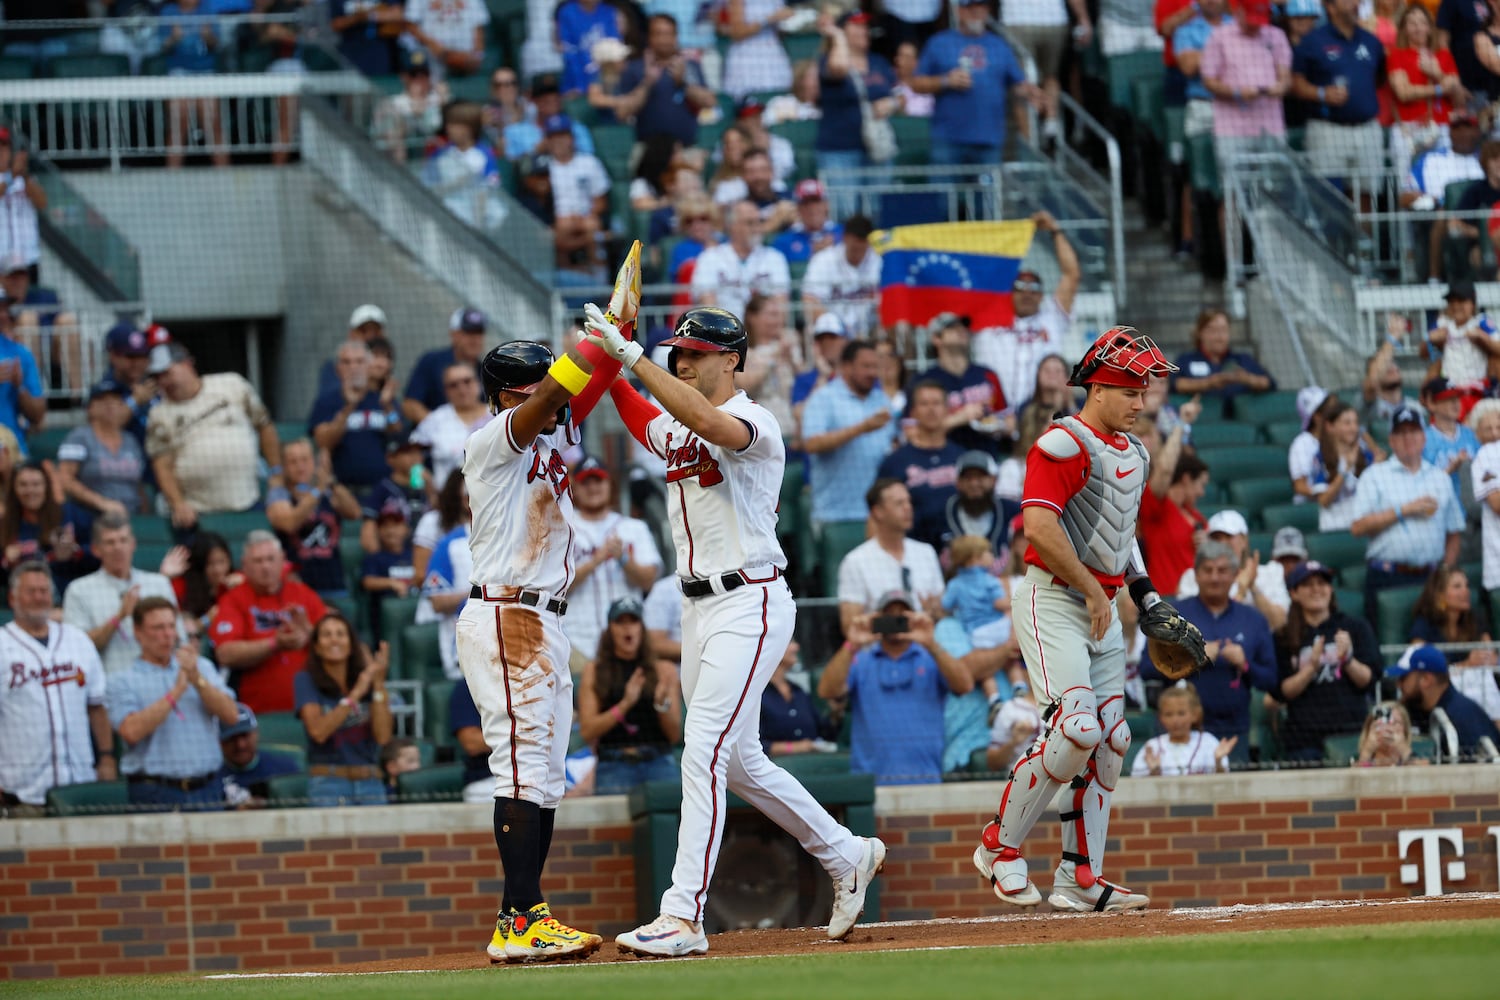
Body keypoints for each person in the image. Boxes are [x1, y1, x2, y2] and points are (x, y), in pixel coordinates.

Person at [585, 304, 888, 956]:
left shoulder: (756, 421)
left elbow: (702, 421)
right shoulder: (679, 416)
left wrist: (630, 356)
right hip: (699, 609)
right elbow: (653, 424)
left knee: (703, 750)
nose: (684, 360)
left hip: (748, 600)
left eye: (696, 352)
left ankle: (683, 915)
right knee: (742, 762)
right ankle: (846, 853)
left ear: (732, 358)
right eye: (678, 353)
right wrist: (611, 368)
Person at [972, 326, 1182, 913]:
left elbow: (1120, 537)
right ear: (1098, 387)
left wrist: (1146, 597)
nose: (1141, 401)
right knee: (1077, 729)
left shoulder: (1134, 451)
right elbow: (1038, 528)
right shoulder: (1063, 442)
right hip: (1054, 600)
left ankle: (1079, 877)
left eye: (1144, 389)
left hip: (1102, 606)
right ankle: (999, 847)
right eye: (1131, 389)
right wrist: (1095, 591)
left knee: (1113, 739)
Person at [458, 335, 618, 962]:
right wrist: (589, 341)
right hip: (507, 612)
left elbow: (580, 391)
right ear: (507, 393)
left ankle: (525, 911)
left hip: (545, 618)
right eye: (538, 386)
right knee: (521, 767)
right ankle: (519, 921)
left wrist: (617, 341)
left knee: (545, 777)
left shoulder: (550, 433)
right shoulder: (495, 436)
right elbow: (556, 390)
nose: (553, 396)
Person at [818, 590, 976, 785]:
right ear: (878, 618)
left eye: (903, 614)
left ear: (914, 618)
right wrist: (852, 644)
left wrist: (931, 643)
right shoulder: (861, 659)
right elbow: (827, 691)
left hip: (925, 779)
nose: (895, 619)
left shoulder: (931, 658)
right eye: (889, 614)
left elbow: (965, 685)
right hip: (869, 785)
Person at [1140, 540, 1279, 756]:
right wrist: (1195, 656)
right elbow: (1146, 668)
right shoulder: (1173, 614)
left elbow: (1271, 679)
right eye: (1208, 570)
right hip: (1179, 733)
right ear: (1195, 575)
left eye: (1222, 571)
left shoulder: (1253, 619)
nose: (1215, 577)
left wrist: (1246, 665)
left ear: (1234, 575)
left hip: (1233, 732)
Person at [0, 560, 114, 816]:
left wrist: (106, 756)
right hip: (21, 791)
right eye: (31, 591)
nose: (39, 597)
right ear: (12, 597)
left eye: (44, 591)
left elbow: (97, 705)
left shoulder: (77, 640)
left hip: (79, 784)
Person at [108, 596, 238, 812]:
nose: (168, 634)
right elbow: (131, 730)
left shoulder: (201, 667)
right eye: (158, 628)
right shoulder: (122, 680)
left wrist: (197, 680)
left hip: (208, 788)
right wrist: (176, 692)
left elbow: (231, 715)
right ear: (138, 633)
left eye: (171, 626)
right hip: (155, 791)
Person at [145, 342, 279, 531]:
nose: (164, 382)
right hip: (198, 513)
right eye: (158, 377)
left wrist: (276, 474)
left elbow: (265, 426)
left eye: (167, 373)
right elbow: (162, 465)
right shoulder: (159, 414)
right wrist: (178, 504)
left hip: (249, 501)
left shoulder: (231, 385)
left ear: (187, 364)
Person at [1350, 404, 1464, 623]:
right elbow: (1358, 527)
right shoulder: (1374, 476)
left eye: (1413, 431)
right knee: (1387, 647)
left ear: (1424, 437)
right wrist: (1404, 510)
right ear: (1391, 440)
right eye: (1401, 432)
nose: (1407, 437)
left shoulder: (1439, 478)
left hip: (1430, 578)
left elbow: (1454, 533)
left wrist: (1445, 573)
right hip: (1388, 576)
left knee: (1432, 644)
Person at [1271, 560, 1382, 762]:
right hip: (1304, 739)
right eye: (1307, 584)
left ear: (1330, 589)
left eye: (1322, 583)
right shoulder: (1283, 637)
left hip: (1351, 735)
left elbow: (1370, 680)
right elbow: (1282, 691)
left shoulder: (1355, 627)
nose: (1316, 590)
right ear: (1294, 593)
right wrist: (1310, 668)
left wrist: (1348, 660)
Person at [969, 212, 1082, 410]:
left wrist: (1056, 231)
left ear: (1041, 296)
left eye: (1035, 288)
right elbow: (972, 278)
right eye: (1020, 286)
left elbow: (1071, 274)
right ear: (1009, 292)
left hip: (1041, 416)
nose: (1027, 293)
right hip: (993, 415)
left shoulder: (1052, 317)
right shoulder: (986, 316)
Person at [910, 0, 1043, 166]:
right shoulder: (939, 43)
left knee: (987, 191)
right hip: (948, 138)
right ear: (959, 11)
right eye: (971, 8)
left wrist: (1031, 92)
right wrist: (945, 81)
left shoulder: (999, 45)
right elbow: (916, 83)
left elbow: (1017, 84)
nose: (977, 13)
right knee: (944, 191)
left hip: (988, 138)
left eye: (982, 7)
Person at [211, 531, 328, 716]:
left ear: (282, 561)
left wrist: (310, 633)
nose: (265, 567)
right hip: (256, 712)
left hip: (311, 711)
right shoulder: (233, 600)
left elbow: (338, 641)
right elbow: (225, 653)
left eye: (271, 559)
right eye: (258, 561)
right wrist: (275, 644)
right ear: (245, 566)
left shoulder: (302, 593)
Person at [563, 457, 663, 672]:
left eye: (598, 481)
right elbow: (557, 587)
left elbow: (648, 581)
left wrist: (624, 559)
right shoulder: (564, 530)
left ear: (610, 485)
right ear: (575, 489)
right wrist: (595, 561)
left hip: (627, 645)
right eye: (586, 482)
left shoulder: (633, 528)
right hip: (576, 642)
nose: (593, 488)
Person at [576, 596, 683, 794]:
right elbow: (588, 731)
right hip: (615, 764)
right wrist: (625, 704)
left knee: (669, 821)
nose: (628, 628)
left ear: (642, 628)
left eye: (633, 621)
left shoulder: (663, 670)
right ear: (610, 630)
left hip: (658, 761)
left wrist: (661, 704)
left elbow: (674, 735)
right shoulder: (595, 670)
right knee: (615, 825)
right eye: (620, 622)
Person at [62, 513, 179, 677]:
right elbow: (77, 647)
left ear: (133, 544)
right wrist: (119, 617)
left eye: (123, 540)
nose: (118, 547)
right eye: (110, 542)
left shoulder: (158, 584)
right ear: (96, 549)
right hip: (109, 686)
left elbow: (179, 639)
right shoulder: (79, 590)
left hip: (161, 681)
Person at [295, 613, 393, 806]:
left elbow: (383, 737)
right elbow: (318, 732)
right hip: (329, 784)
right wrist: (355, 694)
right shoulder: (306, 680)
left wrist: (378, 684)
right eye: (326, 634)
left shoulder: (367, 680)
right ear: (316, 646)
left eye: (341, 634)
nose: (334, 639)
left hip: (370, 783)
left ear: (351, 644)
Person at [801, 340, 896, 530]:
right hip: (837, 514)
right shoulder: (823, 398)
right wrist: (861, 428)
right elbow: (811, 444)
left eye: (875, 367)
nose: (872, 373)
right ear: (846, 366)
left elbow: (895, 441)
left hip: (880, 513)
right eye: (866, 366)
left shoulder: (882, 400)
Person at [1290, 0, 1387, 185]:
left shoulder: (1372, 41)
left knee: (1366, 196)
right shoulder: (1312, 41)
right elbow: (1295, 84)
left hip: (1367, 129)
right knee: (1331, 200)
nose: (1355, 4)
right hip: (1328, 130)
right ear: (1330, 7)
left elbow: (1379, 78)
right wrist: (1321, 93)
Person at [815, 11, 899, 218]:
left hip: (876, 150)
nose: (864, 31)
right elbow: (840, 68)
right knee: (846, 213)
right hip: (839, 150)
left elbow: (901, 93)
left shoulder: (878, 61)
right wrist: (836, 36)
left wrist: (892, 103)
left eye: (865, 26)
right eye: (857, 26)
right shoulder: (828, 60)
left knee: (877, 213)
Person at [836, 478, 946, 629]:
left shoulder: (926, 552)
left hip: (924, 647)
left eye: (908, 501)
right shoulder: (855, 561)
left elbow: (942, 612)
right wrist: (904, 625)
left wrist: (935, 613)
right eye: (899, 503)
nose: (908, 508)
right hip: (878, 649)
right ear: (878, 512)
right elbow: (850, 626)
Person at [1201, 0, 1292, 172]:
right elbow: (1208, 81)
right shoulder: (1219, 37)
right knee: (1234, 189)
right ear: (1239, 11)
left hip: (1270, 125)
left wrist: (1280, 87)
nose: (1255, 25)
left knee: (1274, 190)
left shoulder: (1276, 35)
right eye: (1251, 18)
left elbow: (1285, 77)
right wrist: (1236, 92)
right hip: (1232, 128)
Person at [310, 339, 405, 501]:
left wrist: (388, 406)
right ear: (338, 369)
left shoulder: (383, 399)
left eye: (359, 361)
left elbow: (397, 429)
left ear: (369, 366)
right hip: (343, 492)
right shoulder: (327, 401)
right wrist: (348, 407)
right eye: (346, 362)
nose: (353, 367)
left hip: (382, 490)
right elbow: (323, 442)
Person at [266, 440, 361, 597]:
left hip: (333, 582)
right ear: (284, 467)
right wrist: (317, 490)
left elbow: (355, 513)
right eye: (293, 462)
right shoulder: (278, 495)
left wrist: (331, 481)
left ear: (314, 463)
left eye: (305, 460)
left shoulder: (329, 492)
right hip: (297, 586)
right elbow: (289, 523)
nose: (300, 467)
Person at [877, 381, 964, 549]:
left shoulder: (962, 457)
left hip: (960, 549)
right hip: (913, 549)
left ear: (947, 410)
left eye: (937, 403)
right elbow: (878, 512)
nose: (931, 409)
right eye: (924, 404)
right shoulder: (895, 462)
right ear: (913, 412)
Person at [1409, 565, 1500, 721]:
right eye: (1457, 586)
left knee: (1483, 677)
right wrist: (1467, 664)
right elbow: (1419, 671)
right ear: (1439, 595)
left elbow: (1490, 654)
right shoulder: (1424, 624)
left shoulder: (1475, 619)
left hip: (1478, 684)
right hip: (1441, 689)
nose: (1466, 591)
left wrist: (1490, 659)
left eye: (1466, 586)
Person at [910, 313, 1010, 455]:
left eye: (963, 327)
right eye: (952, 328)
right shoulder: (923, 381)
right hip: (943, 461)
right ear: (936, 339)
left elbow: (1010, 422)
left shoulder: (987, 374)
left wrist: (996, 425)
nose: (961, 330)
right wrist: (960, 418)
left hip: (986, 457)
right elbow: (912, 433)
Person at [615, 13, 716, 148]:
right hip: (648, 151)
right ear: (649, 37)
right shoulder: (635, 68)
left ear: (676, 37)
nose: (663, 40)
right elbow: (622, 113)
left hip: (686, 149)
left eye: (668, 34)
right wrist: (647, 83)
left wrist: (683, 82)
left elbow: (710, 102)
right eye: (658, 34)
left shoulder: (689, 65)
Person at [55, 378, 146, 519]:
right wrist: (101, 503)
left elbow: (138, 485)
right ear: (90, 408)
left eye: (115, 399)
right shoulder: (79, 437)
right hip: (91, 515)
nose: (109, 404)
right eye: (102, 400)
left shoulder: (131, 440)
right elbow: (65, 479)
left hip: (131, 515)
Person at [0, 459, 95, 595]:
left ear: (46, 486)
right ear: (14, 489)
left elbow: (100, 554)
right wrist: (6, 563)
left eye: (36, 484)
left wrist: (76, 553)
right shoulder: (4, 525)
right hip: (26, 602)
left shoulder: (69, 514)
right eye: (23, 485)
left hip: (71, 596)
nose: (30, 490)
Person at [1389, 644, 1500, 758]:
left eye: (1403, 678)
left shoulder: (1460, 717)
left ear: (1426, 680)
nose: (1398, 684)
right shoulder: (1428, 709)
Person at [690, 200, 792, 321]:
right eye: (749, 223)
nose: (756, 228)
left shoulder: (774, 257)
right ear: (732, 226)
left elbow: (780, 303)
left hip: (764, 330)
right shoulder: (710, 257)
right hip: (723, 330)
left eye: (759, 222)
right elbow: (707, 302)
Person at [1169, 309, 1275, 411]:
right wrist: (1210, 383)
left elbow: (1268, 383)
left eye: (1223, 330)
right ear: (1200, 333)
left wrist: (1246, 378)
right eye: (1213, 330)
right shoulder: (1186, 360)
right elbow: (1175, 384)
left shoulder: (1243, 359)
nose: (1219, 336)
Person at [410, 362, 492, 488]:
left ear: (478, 383)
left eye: (467, 381)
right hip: (449, 504)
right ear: (446, 391)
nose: (462, 389)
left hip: (495, 501)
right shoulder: (435, 421)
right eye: (454, 385)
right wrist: (425, 486)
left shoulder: (497, 416)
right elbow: (410, 455)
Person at [403, 307, 487, 425]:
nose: (475, 339)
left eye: (479, 333)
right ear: (453, 335)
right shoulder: (432, 361)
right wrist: (440, 430)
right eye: (468, 333)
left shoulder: (487, 371)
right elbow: (410, 404)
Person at [935, 450, 1020, 565]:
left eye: (980, 477)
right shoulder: (940, 514)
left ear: (993, 480)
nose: (974, 484)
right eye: (968, 477)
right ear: (958, 482)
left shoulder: (1010, 510)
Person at [1129, 685, 1235, 776]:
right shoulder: (1152, 747)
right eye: (1168, 714)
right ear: (1161, 718)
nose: (1175, 720)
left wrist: (1218, 763)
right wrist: (1154, 773)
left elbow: (1222, 787)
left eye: (1181, 713)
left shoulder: (1208, 742)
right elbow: (1137, 789)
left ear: (1194, 715)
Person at [359, 430, 433, 553]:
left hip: (426, 554)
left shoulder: (429, 487)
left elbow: (445, 520)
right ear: (390, 458)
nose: (416, 457)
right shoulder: (382, 489)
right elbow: (368, 535)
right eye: (408, 452)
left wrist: (430, 487)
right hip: (395, 556)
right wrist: (385, 561)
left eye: (418, 452)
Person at [1426, 281, 1500, 404]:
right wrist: (1430, 338)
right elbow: (1422, 351)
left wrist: (1483, 338)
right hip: (1449, 390)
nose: (1456, 306)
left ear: (1473, 303)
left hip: (1476, 388)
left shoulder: (1480, 322)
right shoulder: (1442, 323)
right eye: (1451, 302)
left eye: (1461, 301)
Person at [761, 639, 837, 754]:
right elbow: (751, 746)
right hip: (776, 766)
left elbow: (824, 732)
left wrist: (836, 711)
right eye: (790, 642)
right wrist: (794, 747)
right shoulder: (757, 695)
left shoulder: (799, 692)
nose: (796, 647)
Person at [942, 534, 1012, 649]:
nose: (992, 555)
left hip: (973, 636)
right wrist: (1014, 601)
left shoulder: (954, 584)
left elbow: (946, 605)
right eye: (988, 552)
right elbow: (1000, 604)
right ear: (975, 558)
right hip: (997, 631)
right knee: (1015, 617)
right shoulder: (989, 580)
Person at [360, 509, 416, 643]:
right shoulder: (375, 558)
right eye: (385, 526)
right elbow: (367, 581)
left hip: (415, 612)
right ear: (378, 531)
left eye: (396, 525)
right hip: (386, 621)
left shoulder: (416, 555)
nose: (391, 531)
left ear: (406, 529)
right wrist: (392, 583)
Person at [1422, 376, 1482, 500]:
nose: (1455, 403)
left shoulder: (1471, 435)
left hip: (1473, 509)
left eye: (1457, 398)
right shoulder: (1422, 439)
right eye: (1448, 399)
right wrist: (1451, 468)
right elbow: (1420, 486)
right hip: (1440, 508)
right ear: (1432, 404)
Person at [0, 290, 46, 448]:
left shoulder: (20, 353)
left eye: (5, 309)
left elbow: (38, 416)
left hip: (13, 449)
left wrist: (20, 387)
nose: (3, 315)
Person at [721, 0, 794, 98]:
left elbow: (778, 32)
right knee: (749, 103)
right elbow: (736, 32)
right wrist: (768, 19)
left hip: (774, 55)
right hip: (746, 58)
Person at [1013, 353, 1081, 455]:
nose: (1052, 374)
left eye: (1057, 371)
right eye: (1047, 370)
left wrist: (1069, 402)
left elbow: (1083, 434)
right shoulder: (1026, 407)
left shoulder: (1080, 404)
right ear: (1038, 375)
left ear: (1067, 378)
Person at [555, 0, 624, 96]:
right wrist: (580, 85)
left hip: (606, 80)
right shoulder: (567, 12)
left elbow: (614, 47)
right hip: (576, 84)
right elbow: (568, 50)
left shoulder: (609, 11)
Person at [403, 0, 488, 78]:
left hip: (465, 55)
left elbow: (479, 28)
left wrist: (477, 55)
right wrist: (432, 44)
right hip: (430, 54)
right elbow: (411, 25)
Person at [168, 531, 237, 626]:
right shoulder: (180, 586)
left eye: (222, 562)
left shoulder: (239, 581)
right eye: (210, 564)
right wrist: (207, 619)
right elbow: (175, 628)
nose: (218, 570)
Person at [770, 179, 843, 265]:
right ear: (798, 208)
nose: (812, 208)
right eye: (805, 203)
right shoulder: (783, 242)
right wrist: (811, 253)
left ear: (826, 205)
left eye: (816, 201)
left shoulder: (844, 233)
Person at [1354, 700, 1425, 766]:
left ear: (1405, 731)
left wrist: (1404, 751)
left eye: (1395, 723)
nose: (1388, 728)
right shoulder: (1359, 759)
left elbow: (1426, 773)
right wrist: (1367, 751)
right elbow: (1353, 776)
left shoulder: (1418, 761)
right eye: (1380, 723)